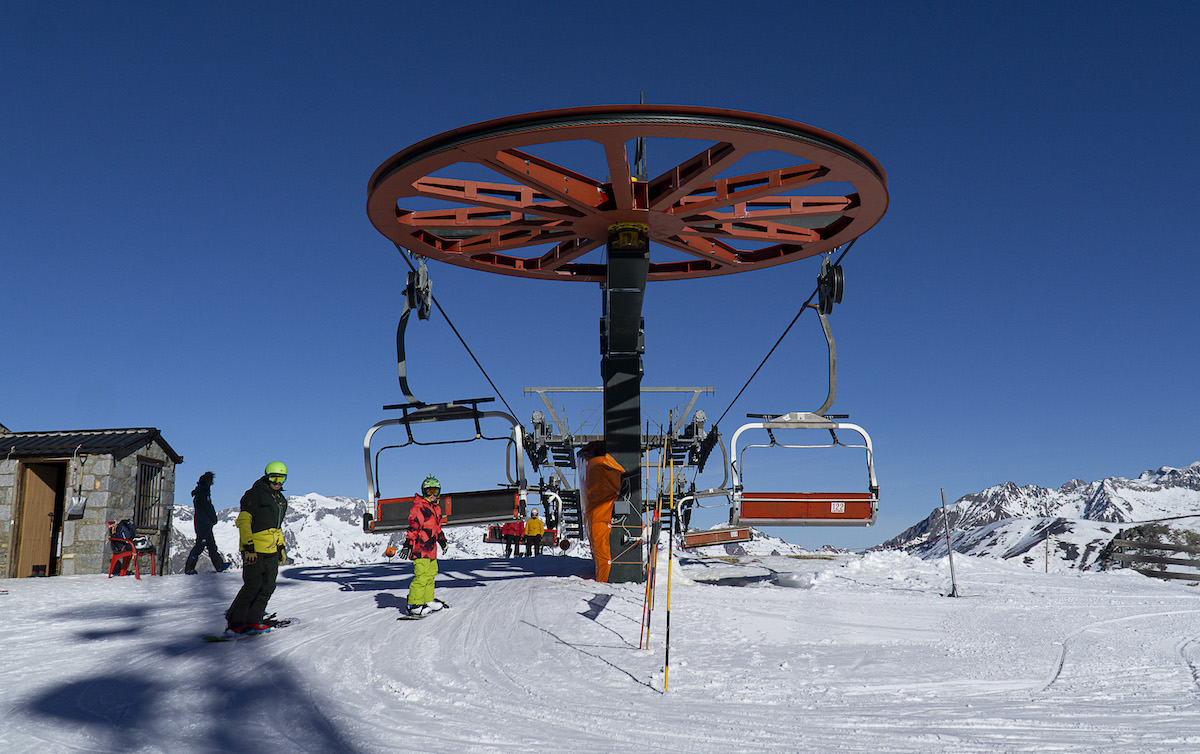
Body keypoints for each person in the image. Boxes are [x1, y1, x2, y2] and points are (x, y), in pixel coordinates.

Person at [225, 462, 289, 635]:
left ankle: (254, 620)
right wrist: (248, 547)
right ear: (267, 476)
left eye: (281, 478)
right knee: (253, 585)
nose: (278, 482)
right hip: (255, 549)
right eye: (274, 477)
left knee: (268, 585)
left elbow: (277, 527)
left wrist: (281, 546)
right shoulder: (255, 495)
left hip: (271, 550)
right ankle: (236, 622)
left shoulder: (280, 500)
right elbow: (244, 521)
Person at [401, 475, 449, 616]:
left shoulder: (436, 509)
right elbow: (414, 526)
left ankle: (427, 600)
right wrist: (408, 544)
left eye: (436, 492)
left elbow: (437, 528)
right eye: (429, 492)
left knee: (431, 574)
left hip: (431, 549)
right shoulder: (420, 507)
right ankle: (413, 604)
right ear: (424, 492)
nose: (433, 495)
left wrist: (442, 541)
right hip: (420, 548)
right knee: (421, 576)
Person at [184, 471, 229, 574]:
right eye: (211, 481)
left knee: (211, 545)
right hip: (203, 523)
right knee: (200, 545)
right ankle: (189, 568)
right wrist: (213, 518)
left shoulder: (201, 492)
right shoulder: (203, 493)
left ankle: (219, 565)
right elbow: (208, 507)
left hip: (204, 523)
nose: (212, 483)